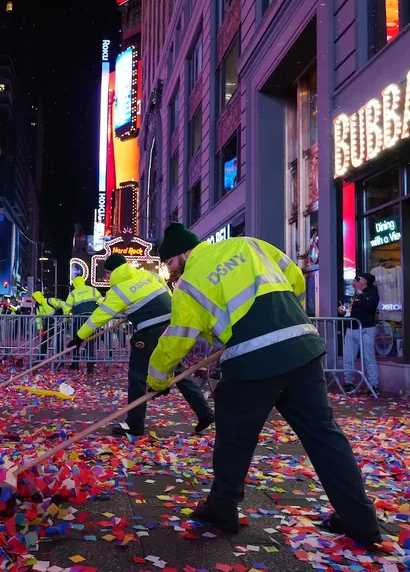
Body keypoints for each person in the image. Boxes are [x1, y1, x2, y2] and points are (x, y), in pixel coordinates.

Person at [147, 223, 381, 544]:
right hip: (302, 347)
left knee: (234, 438)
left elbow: (178, 336)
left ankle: (222, 509)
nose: (171, 271)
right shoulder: (249, 245)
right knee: (324, 436)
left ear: (183, 253)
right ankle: (361, 520)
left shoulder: (189, 284)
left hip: (253, 359)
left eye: (170, 263)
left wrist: (157, 379)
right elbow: (296, 278)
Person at [69, 253, 213, 434]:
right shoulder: (149, 275)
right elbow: (168, 295)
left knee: (137, 376)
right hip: (172, 327)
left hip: (149, 334)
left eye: (107, 273)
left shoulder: (118, 290)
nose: (106, 277)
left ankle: (135, 424)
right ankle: (204, 412)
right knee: (176, 369)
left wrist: (78, 337)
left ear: (111, 272)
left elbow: (98, 317)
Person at [340, 273, 380, 395]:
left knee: (369, 357)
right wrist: (344, 310)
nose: (357, 281)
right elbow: (354, 309)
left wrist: (359, 293)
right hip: (352, 328)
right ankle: (349, 382)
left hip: (365, 329)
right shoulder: (356, 294)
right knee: (348, 357)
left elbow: (369, 306)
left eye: (360, 279)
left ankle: (373, 385)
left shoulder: (372, 293)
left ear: (365, 282)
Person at [64, 276, 102, 372]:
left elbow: (67, 308)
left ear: (74, 284)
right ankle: (90, 368)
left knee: (76, 342)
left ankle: (75, 365)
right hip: (91, 320)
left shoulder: (73, 293)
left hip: (79, 319)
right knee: (90, 343)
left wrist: (65, 320)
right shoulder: (93, 290)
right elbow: (102, 302)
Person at [32, 290, 56, 355]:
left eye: (34, 299)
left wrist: (64, 317)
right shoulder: (38, 308)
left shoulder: (49, 301)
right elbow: (38, 319)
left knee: (58, 342)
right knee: (44, 342)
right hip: (48, 325)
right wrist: (40, 329)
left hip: (58, 323)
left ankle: (60, 360)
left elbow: (63, 305)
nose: (33, 301)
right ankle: (40, 358)